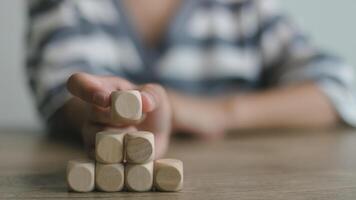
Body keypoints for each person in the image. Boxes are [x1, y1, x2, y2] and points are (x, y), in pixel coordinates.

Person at [26, 0, 356, 158]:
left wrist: (221, 112)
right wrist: (104, 112)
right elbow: (60, 92)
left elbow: (340, 87)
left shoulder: (243, 8)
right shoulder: (66, 5)